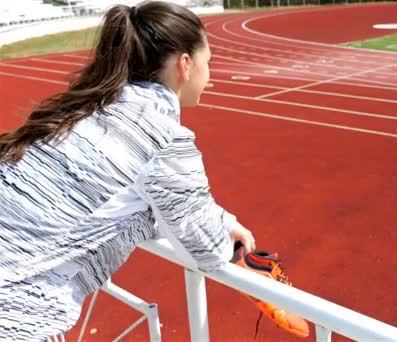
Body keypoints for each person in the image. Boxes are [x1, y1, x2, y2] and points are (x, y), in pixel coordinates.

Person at [0, 2, 256, 340]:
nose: (209, 77)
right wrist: (225, 237)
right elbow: (205, 247)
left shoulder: (89, 106)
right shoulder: (162, 135)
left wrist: (221, 219)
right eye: (208, 62)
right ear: (185, 64)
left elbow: (134, 199)